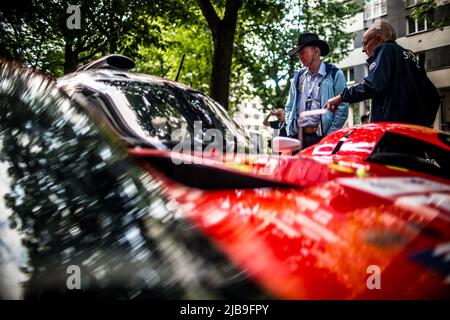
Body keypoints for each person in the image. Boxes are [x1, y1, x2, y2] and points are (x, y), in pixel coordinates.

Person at [325, 21, 440, 127]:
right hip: (416, 133)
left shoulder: (385, 49)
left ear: (378, 39)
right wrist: (425, 124)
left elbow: (372, 85)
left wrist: (341, 97)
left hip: (392, 132)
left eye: (364, 43)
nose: (363, 50)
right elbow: (434, 96)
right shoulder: (411, 57)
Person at [285, 32, 348, 150]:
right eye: (299, 54)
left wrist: (329, 135)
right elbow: (289, 107)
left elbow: (343, 107)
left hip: (323, 137)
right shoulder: (298, 77)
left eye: (303, 52)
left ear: (316, 50)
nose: (300, 57)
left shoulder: (334, 74)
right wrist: (291, 129)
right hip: (299, 137)